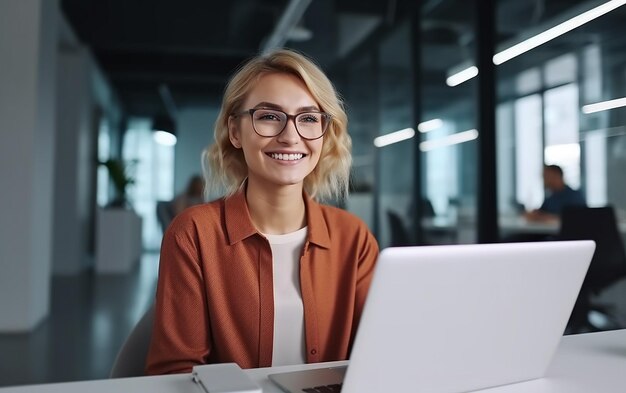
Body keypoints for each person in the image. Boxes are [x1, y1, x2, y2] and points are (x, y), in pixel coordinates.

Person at [145, 49, 379, 374]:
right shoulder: (194, 234)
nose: (290, 136)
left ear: (324, 136)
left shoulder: (354, 238)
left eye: (309, 118)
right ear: (235, 132)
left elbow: (378, 356)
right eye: (269, 116)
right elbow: (175, 373)